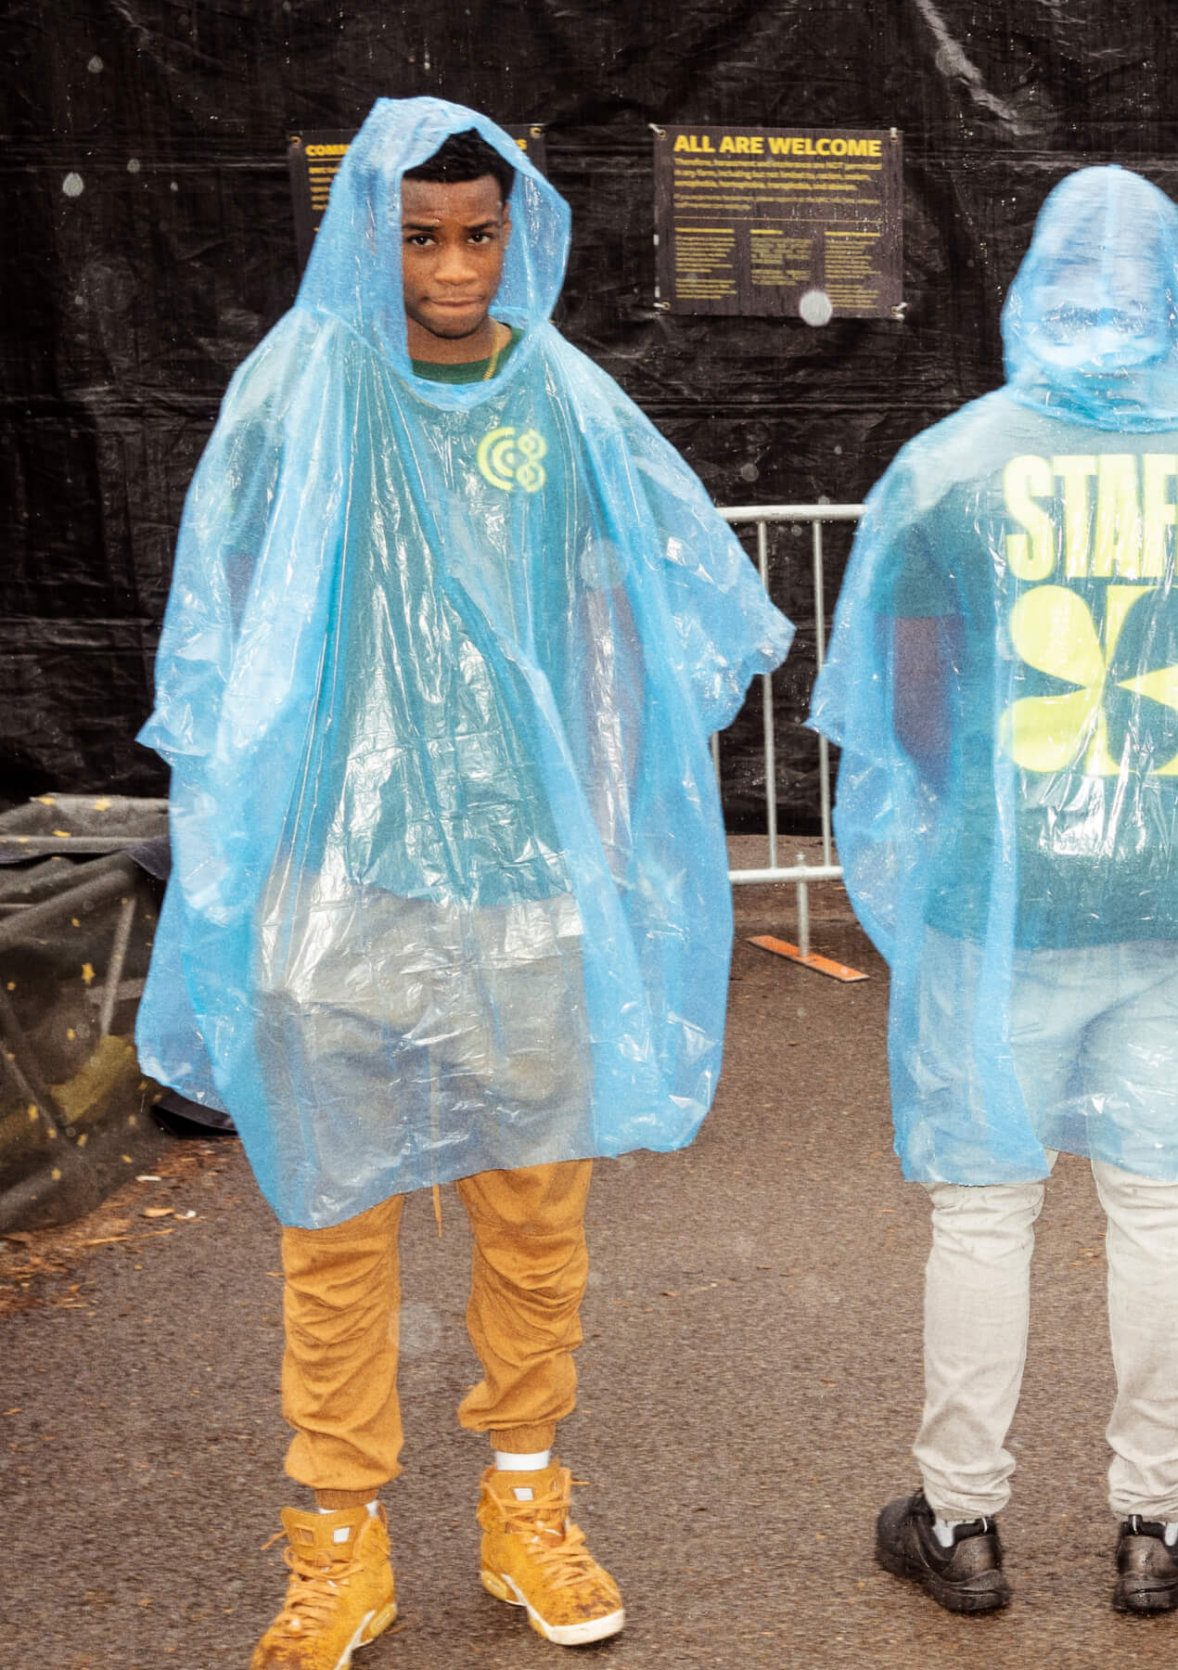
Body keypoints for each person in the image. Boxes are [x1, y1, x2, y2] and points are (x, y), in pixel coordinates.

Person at [136, 101, 790, 1666]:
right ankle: (337, 1542)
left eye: (479, 234)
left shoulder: (560, 397)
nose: (451, 268)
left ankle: (523, 1503)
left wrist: (615, 827)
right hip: (340, 882)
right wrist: (248, 831)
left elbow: (674, 600)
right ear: (373, 232)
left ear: (521, 232)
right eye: (420, 235)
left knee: (532, 1217)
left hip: (519, 883)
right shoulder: (302, 392)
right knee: (336, 1222)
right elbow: (218, 620)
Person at [810, 166, 1178, 1616]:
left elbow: (908, 703)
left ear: (1035, 282)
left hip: (1003, 897)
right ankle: (1156, 1515)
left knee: (984, 1209)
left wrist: (1012, 822)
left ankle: (961, 1519)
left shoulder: (951, 466)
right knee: (1159, 1210)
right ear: (1169, 295)